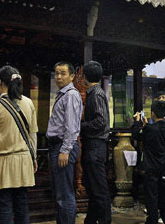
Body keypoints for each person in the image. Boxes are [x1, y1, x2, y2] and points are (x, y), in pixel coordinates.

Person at [0, 66, 38, 224]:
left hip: (2, 162)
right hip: (24, 160)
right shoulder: (29, 103)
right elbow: (33, 135)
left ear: (0, 83)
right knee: (22, 205)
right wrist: (33, 157)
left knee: (4, 206)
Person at [47, 61, 83, 224]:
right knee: (60, 192)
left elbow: (72, 126)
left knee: (65, 194)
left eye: (63, 73)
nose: (59, 76)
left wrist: (65, 150)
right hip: (58, 145)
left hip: (63, 146)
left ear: (72, 76)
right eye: (57, 73)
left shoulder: (71, 95)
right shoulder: (63, 94)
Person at [131, 100, 165, 224]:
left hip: (151, 168)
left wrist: (136, 122)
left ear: (153, 113)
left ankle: (152, 220)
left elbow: (136, 135)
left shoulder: (150, 129)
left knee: (152, 197)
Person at [80, 61, 111, 224]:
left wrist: (81, 125)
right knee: (93, 189)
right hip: (94, 146)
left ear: (84, 76)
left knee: (99, 190)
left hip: (95, 146)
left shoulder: (96, 93)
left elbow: (100, 121)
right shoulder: (96, 92)